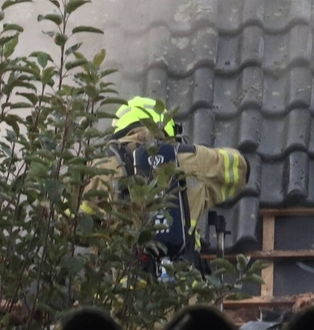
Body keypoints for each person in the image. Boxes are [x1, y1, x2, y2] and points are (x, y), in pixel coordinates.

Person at [81, 96, 249, 278]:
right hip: (182, 289)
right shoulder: (194, 159)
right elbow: (242, 168)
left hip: (123, 293)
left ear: (121, 128)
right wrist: (199, 154)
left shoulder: (101, 166)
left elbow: (72, 227)